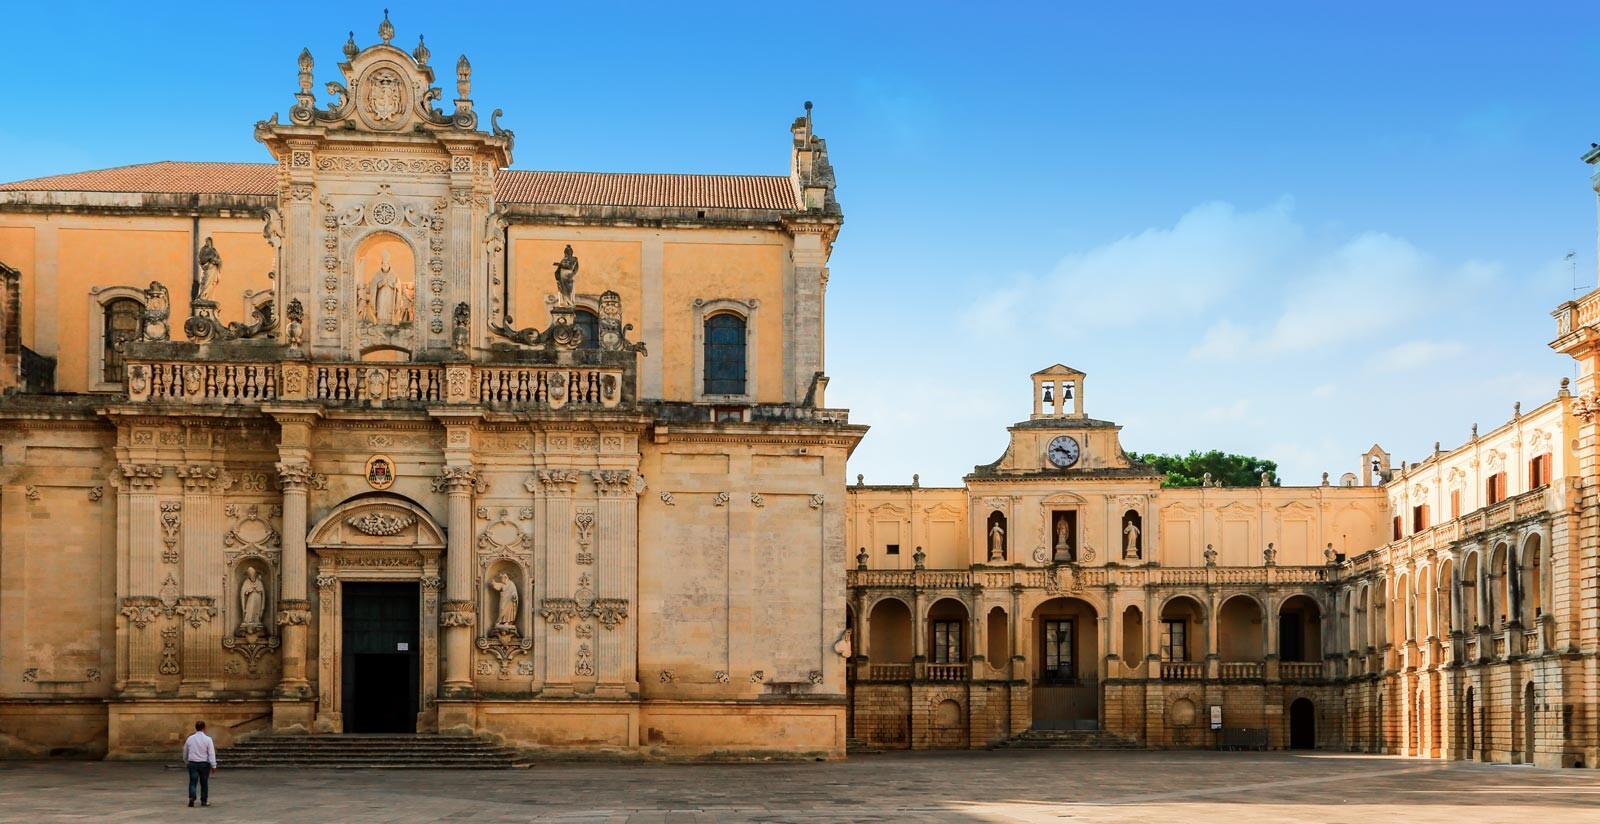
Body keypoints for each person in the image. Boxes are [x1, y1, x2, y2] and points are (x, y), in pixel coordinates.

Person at [183, 720, 217, 807]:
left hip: (193, 763)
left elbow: (185, 751)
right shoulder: (208, 739)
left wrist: (186, 761)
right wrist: (213, 765)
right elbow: (211, 753)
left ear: (196, 728)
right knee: (204, 782)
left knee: (193, 782)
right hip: (204, 764)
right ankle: (204, 801)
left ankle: (192, 797)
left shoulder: (190, 739)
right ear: (204, 728)